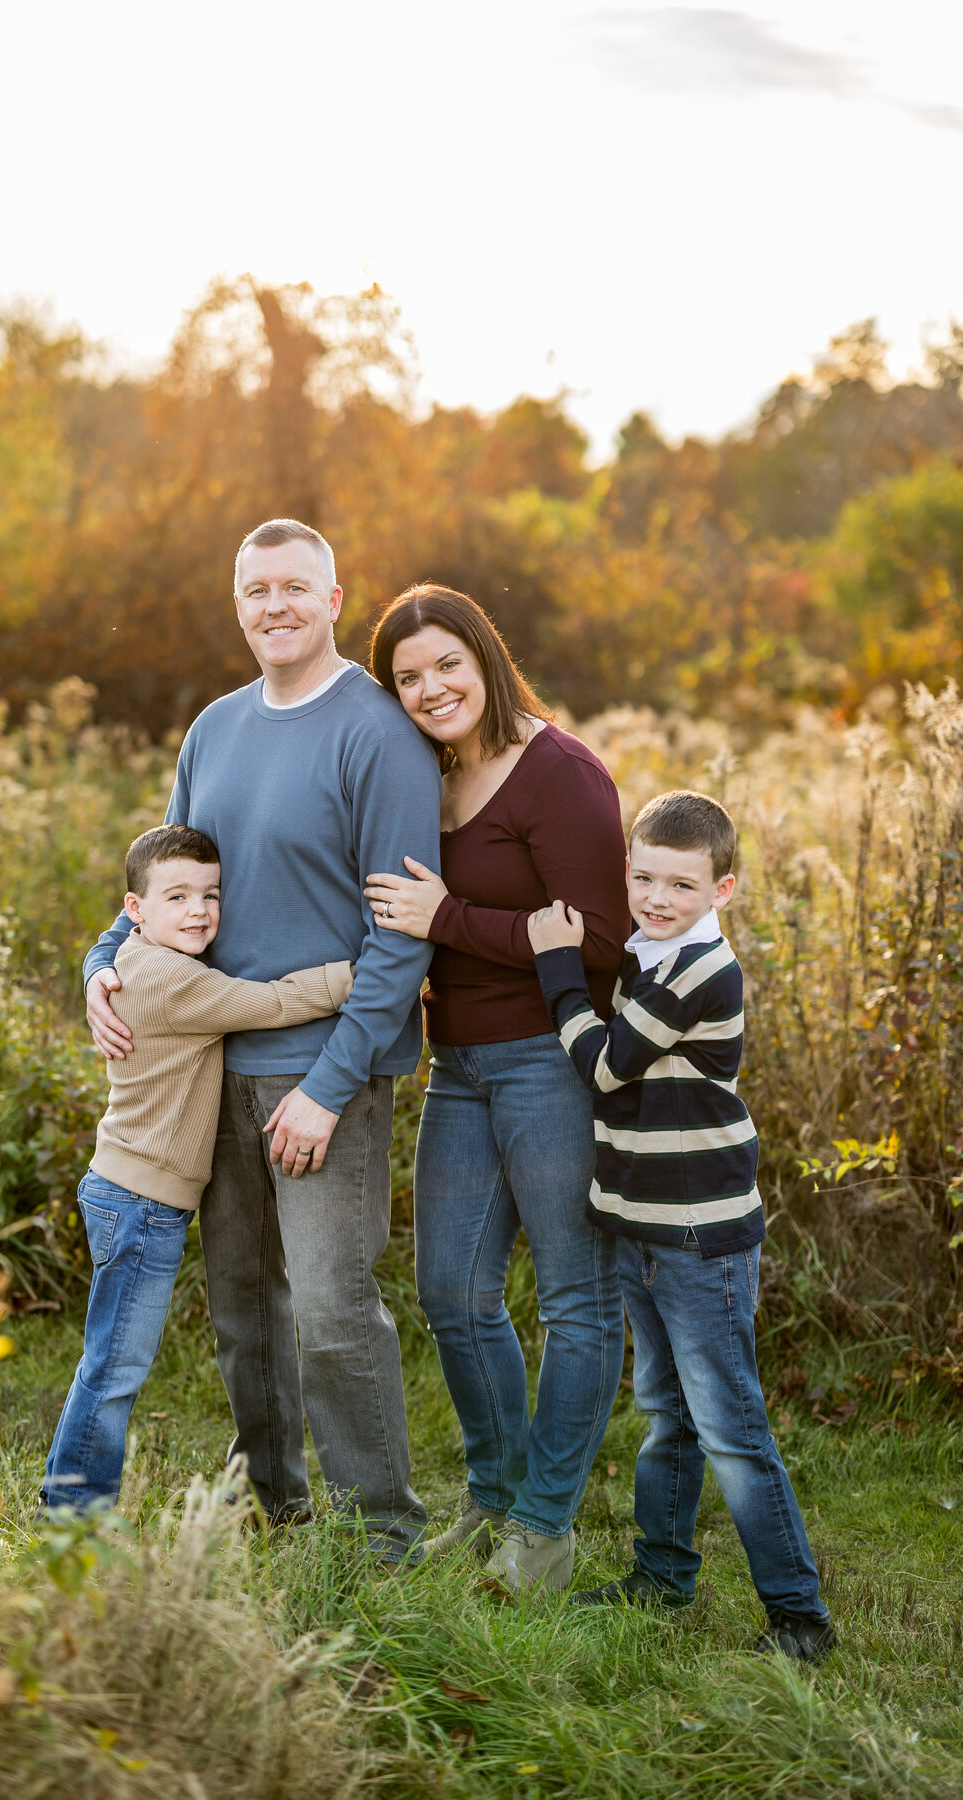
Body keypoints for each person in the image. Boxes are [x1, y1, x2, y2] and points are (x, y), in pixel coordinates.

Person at [83, 520, 442, 1559]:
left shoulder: (377, 735)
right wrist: (100, 965)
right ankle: (276, 1504)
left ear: (334, 599)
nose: (273, 606)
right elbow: (162, 880)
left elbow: (400, 937)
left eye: (294, 586)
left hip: (324, 1072)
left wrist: (331, 1085)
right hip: (210, 1071)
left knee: (331, 1308)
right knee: (242, 1305)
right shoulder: (215, 728)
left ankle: (386, 1534)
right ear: (237, 604)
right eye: (255, 590)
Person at [526, 789, 836, 1660]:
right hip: (641, 1226)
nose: (659, 898)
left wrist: (555, 966)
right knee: (666, 1414)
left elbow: (609, 1066)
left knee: (731, 1428)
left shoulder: (703, 969)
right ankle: (663, 1576)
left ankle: (798, 1615)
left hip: (702, 1237)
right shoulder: (647, 952)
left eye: (683, 885)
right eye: (645, 877)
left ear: (723, 891)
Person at [365, 585, 629, 1593]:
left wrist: (450, 919)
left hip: (552, 1063)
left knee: (576, 1299)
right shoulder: (419, 776)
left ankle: (546, 1532)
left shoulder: (557, 774)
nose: (431, 689)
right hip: (459, 1067)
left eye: (446, 665)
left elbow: (601, 941)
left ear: (484, 657)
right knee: (453, 1294)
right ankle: (495, 1498)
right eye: (408, 677)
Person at [42, 824, 353, 1513]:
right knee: (116, 1367)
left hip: (127, 1190)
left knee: (107, 1359)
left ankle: (66, 1503)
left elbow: (134, 951)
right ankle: (72, 1515)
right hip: (140, 1202)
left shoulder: (135, 957)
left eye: (211, 894)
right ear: (135, 908)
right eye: (176, 896)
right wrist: (358, 976)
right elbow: (272, 1003)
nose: (198, 911)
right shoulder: (172, 979)